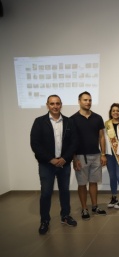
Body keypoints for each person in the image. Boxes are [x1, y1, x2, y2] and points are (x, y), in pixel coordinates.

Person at [30, 95, 78, 234]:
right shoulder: (39, 122)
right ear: (47, 105)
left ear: (61, 105)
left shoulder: (69, 122)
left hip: (64, 163)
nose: (55, 106)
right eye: (52, 104)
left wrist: (65, 158)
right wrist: (50, 159)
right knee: (46, 193)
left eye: (57, 103)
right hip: (46, 164)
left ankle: (65, 216)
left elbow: (74, 142)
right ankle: (45, 220)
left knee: (65, 191)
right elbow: (35, 144)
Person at [71, 91, 107, 220]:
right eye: (85, 100)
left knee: (93, 182)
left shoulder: (97, 118)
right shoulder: (73, 119)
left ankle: (95, 206)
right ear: (79, 101)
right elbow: (71, 140)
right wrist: (74, 158)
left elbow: (102, 137)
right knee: (82, 184)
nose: (88, 102)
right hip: (80, 156)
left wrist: (103, 154)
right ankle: (84, 209)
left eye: (90, 100)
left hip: (96, 155)